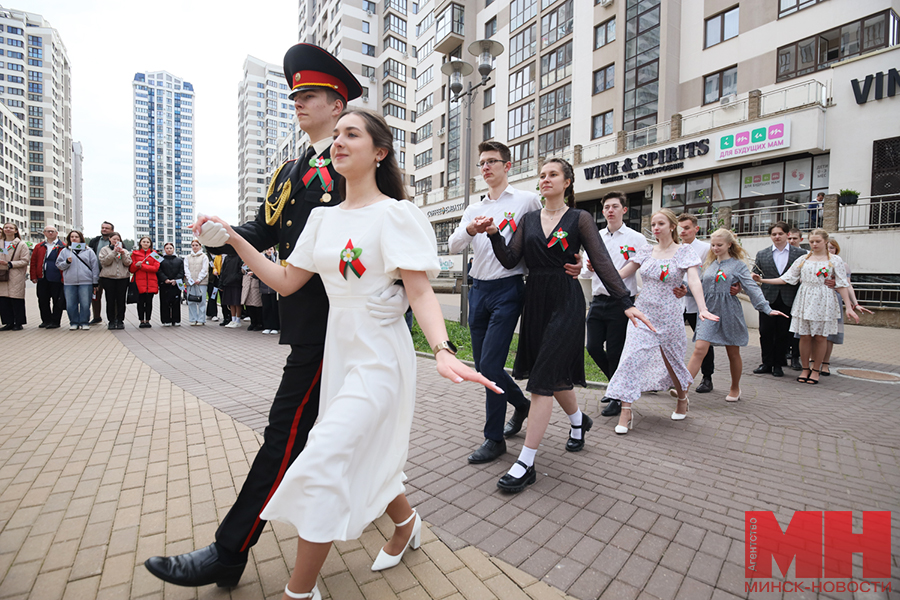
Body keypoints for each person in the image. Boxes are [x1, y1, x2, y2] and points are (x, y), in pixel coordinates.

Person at [199, 109, 500, 600]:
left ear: (379, 152)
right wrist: (233, 238)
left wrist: (443, 350)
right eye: (336, 135)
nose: (338, 142)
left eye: (351, 134)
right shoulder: (321, 219)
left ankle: (298, 592)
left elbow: (420, 292)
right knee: (358, 451)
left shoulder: (398, 214)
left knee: (323, 458)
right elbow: (284, 281)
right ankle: (406, 524)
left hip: (381, 355)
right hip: (340, 351)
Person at [144, 45, 407, 590]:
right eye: (294, 97)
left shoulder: (347, 168)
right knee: (338, 440)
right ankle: (405, 520)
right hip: (310, 327)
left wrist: (399, 295)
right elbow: (268, 229)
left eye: (308, 96)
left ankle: (229, 551)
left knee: (285, 438)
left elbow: (386, 234)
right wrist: (226, 233)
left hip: (339, 331)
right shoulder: (290, 171)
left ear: (339, 106)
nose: (297, 105)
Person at [484, 159, 652, 492]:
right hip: (535, 303)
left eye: (553, 175)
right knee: (553, 375)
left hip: (566, 301)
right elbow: (509, 259)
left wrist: (626, 304)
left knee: (542, 380)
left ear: (568, 182)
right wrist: (493, 235)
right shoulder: (529, 219)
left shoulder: (580, 218)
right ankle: (579, 422)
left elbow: (602, 261)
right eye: (542, 175)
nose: (546, 179)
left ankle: (526, 462)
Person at [448, 140, 560, 464]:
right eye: (482, 162)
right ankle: (521, 405)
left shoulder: (525, 200)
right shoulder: (474, 208)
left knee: (490, 367)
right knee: (485, 366)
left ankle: (494, 438)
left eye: (492, 161)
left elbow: (545, 233)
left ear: (507, 166)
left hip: (509, 290)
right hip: (478, 290)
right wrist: (470, 229)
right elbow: (455, 246)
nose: (485, 167)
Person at [605, 209, 719, 435]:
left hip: (670, 315)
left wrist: (703, 308)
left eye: (661, 223)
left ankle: (682, 399)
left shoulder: (684, 251)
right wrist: (598, 270)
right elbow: (623, 273)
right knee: (630, 359)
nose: (656, 227)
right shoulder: (646, 250)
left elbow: (694, 280)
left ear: (672, 226)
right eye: (653, 224)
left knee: (673, 362)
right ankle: (626, 412)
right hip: (643, 313)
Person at [685, 229, 788, 401]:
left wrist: (766, 308)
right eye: (713, 245)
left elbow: (751, 287)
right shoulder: (708, 264)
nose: (715, 248)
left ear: (729, 245)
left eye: (719, 245)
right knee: (699, 349)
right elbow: (700, 286)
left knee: (732, 352)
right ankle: (683, 388)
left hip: (729, 312)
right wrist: (683, 290)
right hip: (708, 312)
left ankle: (735, 388)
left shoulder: (738, 265)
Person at [753, 228, 860, 384]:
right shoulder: (803, 258)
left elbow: (843, 284)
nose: (814, 244)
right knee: (804, 336)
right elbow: (787, 278)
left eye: (818, 241)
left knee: (820, 337)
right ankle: (805, 369)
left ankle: (816, 370)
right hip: (805, 299)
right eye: (811, 242)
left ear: (825, 242)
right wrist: (762, 280)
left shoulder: (835, 260)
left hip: (824, 299)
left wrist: (849, 307)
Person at [579, 192, 648, 418]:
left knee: (616, 351)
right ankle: (616, 387)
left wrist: (608, 275)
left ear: (624, 210)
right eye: (607, 207)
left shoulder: (636, 238)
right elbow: (586, 274)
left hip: (621, 302)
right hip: (598, 301)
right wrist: (589, 267)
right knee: (593, 347)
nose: (610, 210)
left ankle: (617, 397)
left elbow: (637, 266)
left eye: (615, 206)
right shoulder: (595, 236)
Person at [752, 222, 806, 378]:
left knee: (783, 334)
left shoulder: (800, 253)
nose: (777, 237)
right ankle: (766, 363)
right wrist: (754, 277)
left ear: (787, 235)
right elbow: (755, 272)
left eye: (780, 234)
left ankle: (778, 364)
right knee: (765, 332)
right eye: (774, 234)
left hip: (788, 298)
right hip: (768, 298)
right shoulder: (762, 254)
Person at [816, 239, 872, 374]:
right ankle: (814, 361)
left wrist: (855, 303)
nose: (829, 250)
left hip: (835, 299)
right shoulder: (817, 263)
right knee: (816, 332)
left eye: (832, 248)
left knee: (829, 334)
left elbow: (847, 285)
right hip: (818, 299)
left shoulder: (842, 264)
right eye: (827, 247)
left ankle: (825, 364)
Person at [56, 231, 100, 330]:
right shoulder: (65, 251)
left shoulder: (88, 251)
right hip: (70, 282)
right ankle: (74, 322)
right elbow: (59, 265)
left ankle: (84, 322)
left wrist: (95, 281)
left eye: (76, 237)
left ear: (81, 238)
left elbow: (94, 267)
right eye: (72, 237)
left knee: (85, 303)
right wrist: (66, 262)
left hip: (86, 281)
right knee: (71, 304)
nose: (74, 238)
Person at [30, 226, 66, 329]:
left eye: (52, 231)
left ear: (57, 233)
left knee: (57, 301)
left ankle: (55, 321)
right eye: (48, 231)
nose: (50, 233)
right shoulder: (39, 246)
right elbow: (33, 262)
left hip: (57, 278)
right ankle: (46, 320)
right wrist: (33, 276)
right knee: (43, 299)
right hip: (42, 277)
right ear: (44, 233)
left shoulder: (62, 246)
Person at [0, 222, 32, 330]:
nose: (8, 229)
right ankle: (8, 322)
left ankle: (18, 322)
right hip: (1, 274)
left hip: (15, 274)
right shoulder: (0, 243)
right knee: (3, 299)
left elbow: (25, 260)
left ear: (15, 230)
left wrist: (10, 264)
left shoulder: (21, 244)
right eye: (6, 227)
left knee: (16, 299)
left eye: (11, 228)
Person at [97, 232, 132, 330]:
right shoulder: (104, 250)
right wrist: (114, 252)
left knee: (121, 300)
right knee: (110, 300)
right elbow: (104, 262)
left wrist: (123, 253)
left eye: (118, 239)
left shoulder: (124, 250)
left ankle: (120, 320)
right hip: (108, 278)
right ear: (110, 240)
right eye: (114, 239)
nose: (116, 241)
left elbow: (128, 263)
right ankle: (111, 321)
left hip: (122, 278)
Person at [130, 236, 161, 328]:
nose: (146, 243)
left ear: (150, 244)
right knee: (140, 302)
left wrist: (142, 266)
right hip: (139, 282)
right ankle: (141, 320)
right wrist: (136, 265)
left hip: (151, 283)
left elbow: (156, 268)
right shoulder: (135, 254)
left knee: (149, 302)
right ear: (140, 243)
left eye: (148, 242)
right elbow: (131, 269)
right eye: (144, 242)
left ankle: (148, 320)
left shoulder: (155, 254)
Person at [88, 221, 115, 325]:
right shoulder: (94, 241)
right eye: (103, 228)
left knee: (112, 297)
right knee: (95, 296)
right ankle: (96, 317)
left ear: (112, 230)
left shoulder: (116, 241)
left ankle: (114, 318)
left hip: (110, 274)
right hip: (96, 273)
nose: (104, 229)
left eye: (107, 228)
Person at [158, 242, 184, 327]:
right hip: (164, 284)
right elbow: (158, 271)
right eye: (167, 248)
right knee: (164, 302)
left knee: (176, 302)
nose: (169, 250)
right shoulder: (160, 259)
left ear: (173, 249)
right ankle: (166, 320)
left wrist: (175, 280)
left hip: (175, 285)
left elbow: (182, 271)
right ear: (164, 250)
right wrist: (165, 279)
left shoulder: (179, 260)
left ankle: (176, 320)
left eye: (170, 248)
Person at [185, 239, 209, 326]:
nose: (195, 247)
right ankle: (193, 318)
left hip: (201, 282)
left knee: (201, 301)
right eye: (193, 245)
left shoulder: (204, 256)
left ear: (200, 246)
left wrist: (199, 279)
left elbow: (205, 269)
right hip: (190, 282)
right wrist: (190, 279)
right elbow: (186, 269)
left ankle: (201, 319)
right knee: (191, 300)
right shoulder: (187, 257)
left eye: (196, 245)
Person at [219, 254, 244, 328]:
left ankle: (238, 320)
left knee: (237, 302)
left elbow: (241, 270)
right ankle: (233, 319)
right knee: (230, 302)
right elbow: (223, 271)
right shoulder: (227, 258)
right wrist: (221, 283)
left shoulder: (239, 256)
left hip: (236, 283)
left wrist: (236, 278)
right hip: (227, 282)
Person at [260, 248, 280, 334]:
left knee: (274, 308)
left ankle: (275, 326)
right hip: (264, 287)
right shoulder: (262, 259)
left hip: (274, 288)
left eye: (271, 249)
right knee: (266, 307)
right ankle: (267, 326)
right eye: (267, 249)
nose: (269, 251)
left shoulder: (276, 259)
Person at [241, 263, 263, 331]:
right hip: (247, 283)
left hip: (255, 283)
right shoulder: (245, 260)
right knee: (248, 304)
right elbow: (243, 271)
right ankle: (253, 322)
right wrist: (244, 267)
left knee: (256, 304)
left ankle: (259, 323)